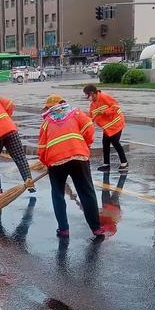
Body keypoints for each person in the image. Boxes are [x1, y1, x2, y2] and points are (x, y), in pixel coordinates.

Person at [38, 94, 103, 238]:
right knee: (87, 192)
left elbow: (42, 148)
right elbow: (89, 128)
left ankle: (63, 229)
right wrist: (84, 145)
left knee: (57, 194)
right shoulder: (76, 113)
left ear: (49, 108)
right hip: (78, 156)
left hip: (55, 161)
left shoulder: (46, 123)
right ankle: (96, 228)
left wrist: (46, 163)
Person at [83, 84, 128, 173]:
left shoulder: (104, 97)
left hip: (116, 123)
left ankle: (124, 163)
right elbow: (90, 117)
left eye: (88, 95)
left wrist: (104, 112)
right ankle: (106, 165)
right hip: (108, 127)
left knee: (115, 142)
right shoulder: (93, 105)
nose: (88, 97)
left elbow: (116, 106)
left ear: (92, 93)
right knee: (105, 143)